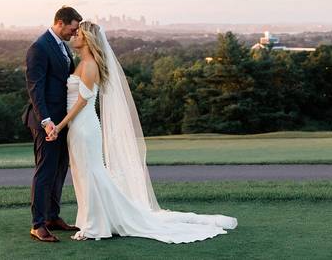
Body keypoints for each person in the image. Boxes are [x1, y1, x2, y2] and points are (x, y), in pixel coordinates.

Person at [48, 21, 238, 243]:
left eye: (79, 33)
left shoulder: (89, 65)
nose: (74, 36)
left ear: (88, 40)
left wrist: (59, 126)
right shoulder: (83, 62)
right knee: (85, 173)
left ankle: (94, 225)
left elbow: (81, 103)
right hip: (78, 127)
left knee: (90, 173)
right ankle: (96, 219)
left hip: (84, 127)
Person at [22, 6, 82, 242]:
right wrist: (47, 122)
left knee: (59, 169)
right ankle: (38, 225)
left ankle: (52, 216)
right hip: (45, 122)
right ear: (60, 22)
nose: (74, 33)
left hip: (63, 121)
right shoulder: (39, 47)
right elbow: (35, 88)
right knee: (45, 172)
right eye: (72, 28)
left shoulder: (61, 45)